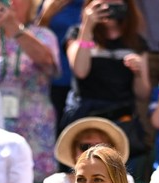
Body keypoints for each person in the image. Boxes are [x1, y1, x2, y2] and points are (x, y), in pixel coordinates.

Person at [0, 0, 61, 181]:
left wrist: (16, 30)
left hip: (34, 127)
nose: (10, 2)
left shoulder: (43, 35)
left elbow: (48, 63)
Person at [60, 0, 150, 164]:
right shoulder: (77, 34)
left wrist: (139, 72)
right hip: (85, 119)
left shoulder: (135, 42)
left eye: (114, 3)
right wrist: (87, 27)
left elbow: (144, 93)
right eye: (101, 4)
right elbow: (80, 70)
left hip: (121, 121)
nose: (108, 8)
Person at [42, 116, 137, 183]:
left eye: (101, 147)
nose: (92, 152)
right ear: (74, 152)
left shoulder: (122, 179)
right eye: (85, 146)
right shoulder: (55, 181)